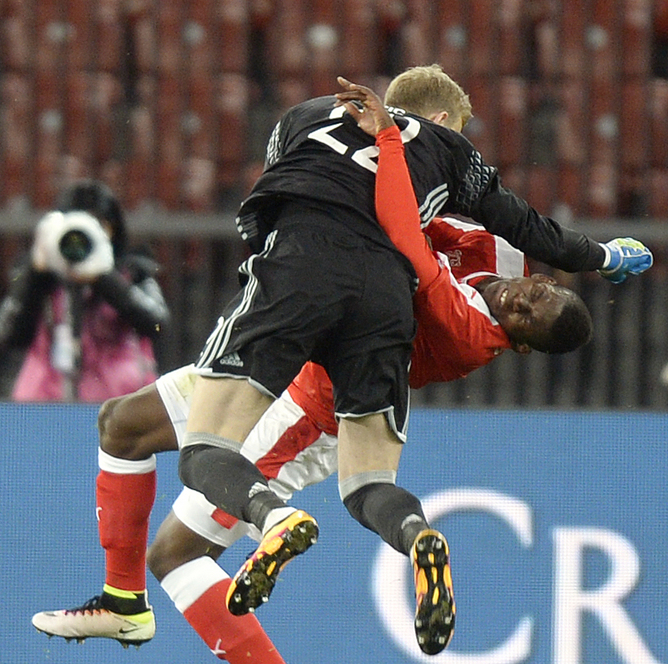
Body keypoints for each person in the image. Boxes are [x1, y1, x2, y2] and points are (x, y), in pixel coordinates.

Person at [34, 68, 650, 659]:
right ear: (436, 122)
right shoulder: (489, 237)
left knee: (177, 551)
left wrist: (385, 136)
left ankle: (251, 549)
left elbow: (405, 228)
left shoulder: (468, 315)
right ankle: (122, 601)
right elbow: (530, 228)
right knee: (123, 423)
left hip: (311, 400)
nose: (528, 294)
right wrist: (600, 256)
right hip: (307, 352)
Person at [0, 179, 169, 402]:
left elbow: (157, 323)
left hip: (119, 405)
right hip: (42, 403)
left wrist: (104, 278)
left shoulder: (133, 272)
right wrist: (35, 276)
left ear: (113, 230)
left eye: (97, 226)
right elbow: (7, 334)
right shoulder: (37, 271)